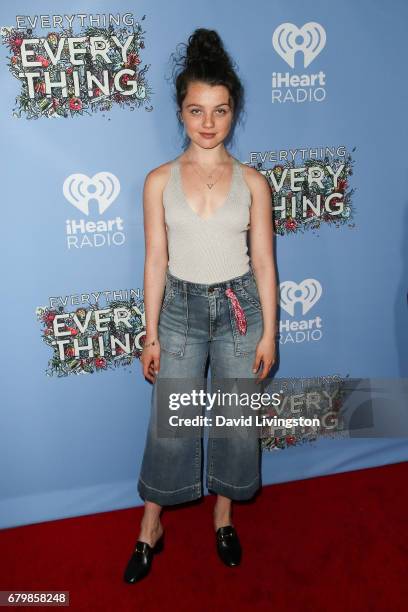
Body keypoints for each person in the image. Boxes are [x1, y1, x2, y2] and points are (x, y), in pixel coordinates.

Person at [124, 28, 277, 584]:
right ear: (181, 113)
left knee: (237, 423)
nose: (208, 122)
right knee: (171, 424)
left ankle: (223, 515)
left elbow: (263, 264)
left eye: (220, 110)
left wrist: (269, 335)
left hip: (241, 310)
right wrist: (151, 334)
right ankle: (150, 527)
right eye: (196, 110)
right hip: (181, 312)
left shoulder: (254, 183)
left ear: (233, 111)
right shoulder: (158, 181)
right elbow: (155, 262)